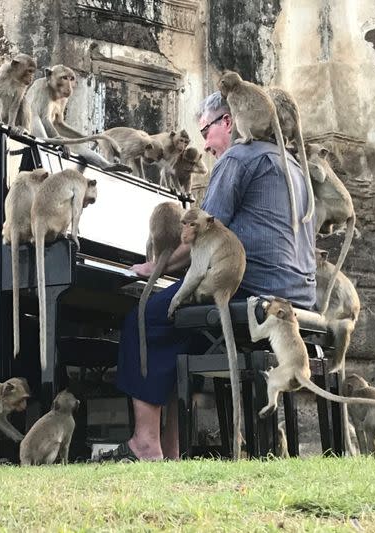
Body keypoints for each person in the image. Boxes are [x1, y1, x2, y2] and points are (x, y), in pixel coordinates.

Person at [101, 91, 316, 462]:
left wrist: (156, 266)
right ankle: (173, 446)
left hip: (250, 288)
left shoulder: (239, 156)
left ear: (228, 122)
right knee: (180, 330)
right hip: (297, 293)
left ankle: (144, 444)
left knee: (146, 317)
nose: (204, 144)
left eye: (206, 130)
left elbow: (202, 234)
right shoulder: (294, 166)